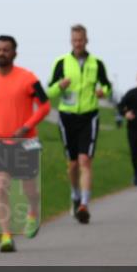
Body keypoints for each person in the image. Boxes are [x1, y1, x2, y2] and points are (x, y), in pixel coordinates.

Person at [0, 35, 51, 249]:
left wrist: (26, 126)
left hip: (26, 143)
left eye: (6, 50)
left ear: (14, 53)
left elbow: (44, 106)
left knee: (29, 190)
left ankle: (33, 211)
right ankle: (6, 236)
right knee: (0, 188)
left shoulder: (28, 78)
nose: (1, 53)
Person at [46, 25, 112, 222]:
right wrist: (60, 85)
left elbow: (107, 84)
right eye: (74, 40)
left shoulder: (96, 63)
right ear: (70, 41)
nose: (78, 43)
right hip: (67, 117)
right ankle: (74, 195)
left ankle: (84, 204)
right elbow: (49, 91)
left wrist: (103, 92)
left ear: (86, 40)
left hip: (89, 116)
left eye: (81, 40)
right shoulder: (61, 63)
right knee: (73, 164)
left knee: (85, 161)